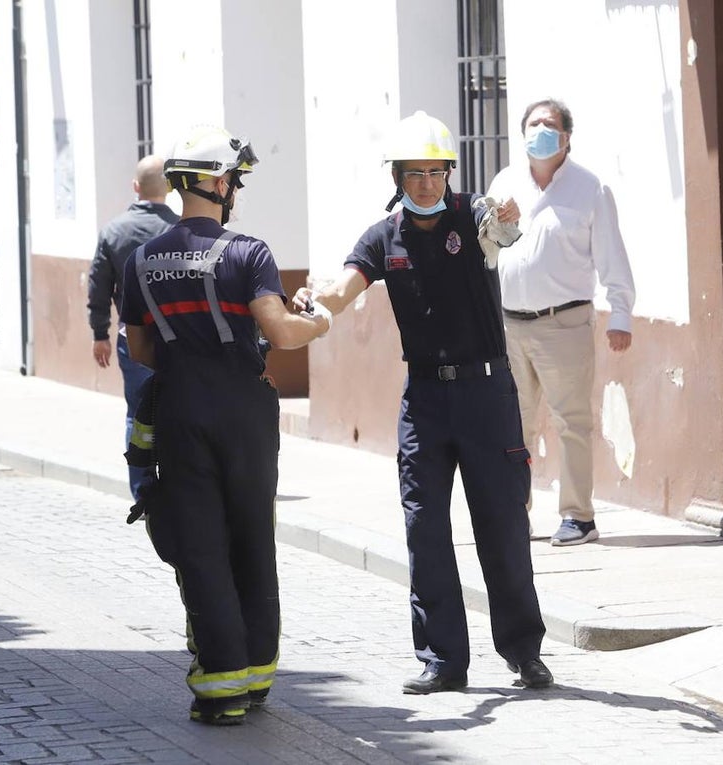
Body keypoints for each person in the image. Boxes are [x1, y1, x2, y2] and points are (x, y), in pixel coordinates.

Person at [293, 111, 553, 695]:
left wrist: (509, 219)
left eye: (437, 172)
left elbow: (504, 233)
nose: (428, 184)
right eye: (416, 174)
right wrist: (314, 302)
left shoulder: (474, 216)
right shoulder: (383, 237)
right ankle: (443, 660)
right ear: (398, 177)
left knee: (503, 524)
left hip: (488, 394)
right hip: (426, 399)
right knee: (424, 527)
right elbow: (343, 288)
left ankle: (523, 651)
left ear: (449, 173)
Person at [121, 126, 331, 724]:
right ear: (218, 183)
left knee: (202, 547)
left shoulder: (141, 260)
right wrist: (317, 323)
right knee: (251, 539)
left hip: (182, 408)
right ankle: (259, 678)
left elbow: (140, 350)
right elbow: (284, 332)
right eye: (233, 180)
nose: (234, 189)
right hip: (245, 408)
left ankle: (222, 691)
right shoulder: (249, 252)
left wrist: (190, 364)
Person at [486, 99, 636, 547]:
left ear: (566, 136)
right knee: (513, 423)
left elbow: (612, 254)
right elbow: (488, 249)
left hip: (564, 324)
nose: (541, 131)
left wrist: (621, 312)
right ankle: (516, 513)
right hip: (510, 325)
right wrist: (494, 222)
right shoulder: (504, 182)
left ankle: (578, 516)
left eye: (550, 125)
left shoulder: (589, 189)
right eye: (534, 124)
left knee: (571, 422)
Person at [87, 154, 179, 500]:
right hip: (178, 336)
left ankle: (142, 489)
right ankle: (178, 482)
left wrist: (100, 334)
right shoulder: (179, 230)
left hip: (132, 338)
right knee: (178, 407)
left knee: (137, 412)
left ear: (135, 187)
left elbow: (98, 286)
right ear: (169, 188)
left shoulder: (113, 231)